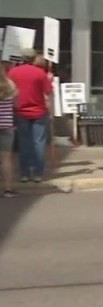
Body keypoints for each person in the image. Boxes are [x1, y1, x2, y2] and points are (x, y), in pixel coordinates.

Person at [8, 49, 52, 183]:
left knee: (24, 142)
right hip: (39, 111)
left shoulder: (13, 72)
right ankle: (38, 173)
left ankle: (24, 173)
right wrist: (50, 111)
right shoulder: (40, 73)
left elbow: (9, 91)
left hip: (20, 111)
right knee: (39, 142)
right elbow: (48, 94)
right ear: (34, 59)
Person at [0, 64, 17, 197]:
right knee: (7, 158)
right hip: (7, 125)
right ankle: (8, 189)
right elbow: (16, 104)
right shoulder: (10, 85)